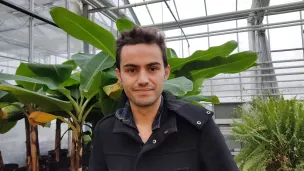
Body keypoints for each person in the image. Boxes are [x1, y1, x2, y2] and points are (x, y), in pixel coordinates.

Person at [88, 27, 239, 171]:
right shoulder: (105, 132)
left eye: (152, 69)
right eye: (131, 70)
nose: (143, 80)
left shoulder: (198, 126)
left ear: (166, 72)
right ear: (119, 75)